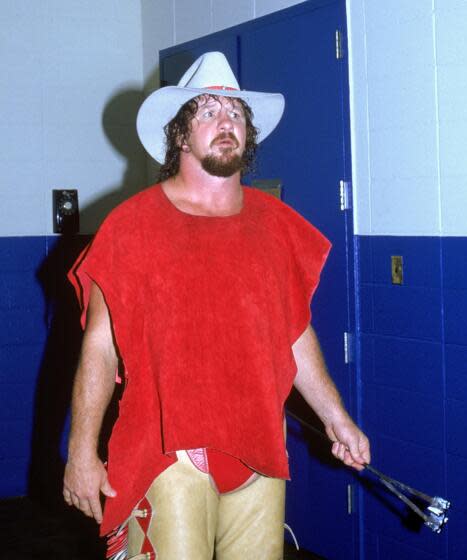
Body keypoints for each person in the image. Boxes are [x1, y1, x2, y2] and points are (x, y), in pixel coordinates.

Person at [63, 51, 370, 560]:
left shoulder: (276, 226)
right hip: (167, 457)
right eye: (207, 111)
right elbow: (99, 346)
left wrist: (337, 418)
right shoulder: (130, 227)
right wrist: (81, 450)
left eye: (234, 113)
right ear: (180, 136)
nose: (225, 121)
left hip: (259, 455)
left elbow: (293, 332)